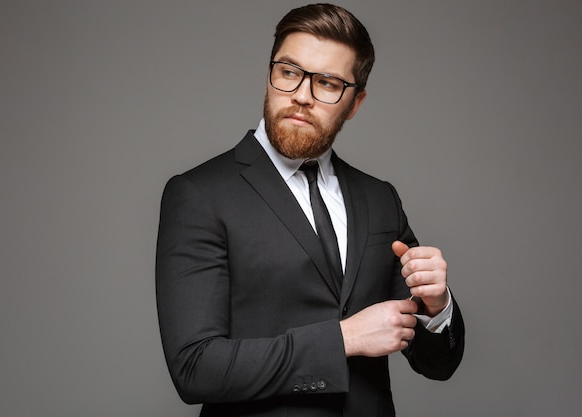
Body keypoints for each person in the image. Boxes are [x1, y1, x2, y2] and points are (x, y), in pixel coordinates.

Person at [156, 3, 464, 416]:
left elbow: (438, 364)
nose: (301, 95)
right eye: (289, 72)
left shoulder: (379, 198)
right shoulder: (198, 194)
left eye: (328, 83)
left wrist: (437, 305)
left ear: (355, 103)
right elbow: (195, 368)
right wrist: (344, 339)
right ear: (269, 75)